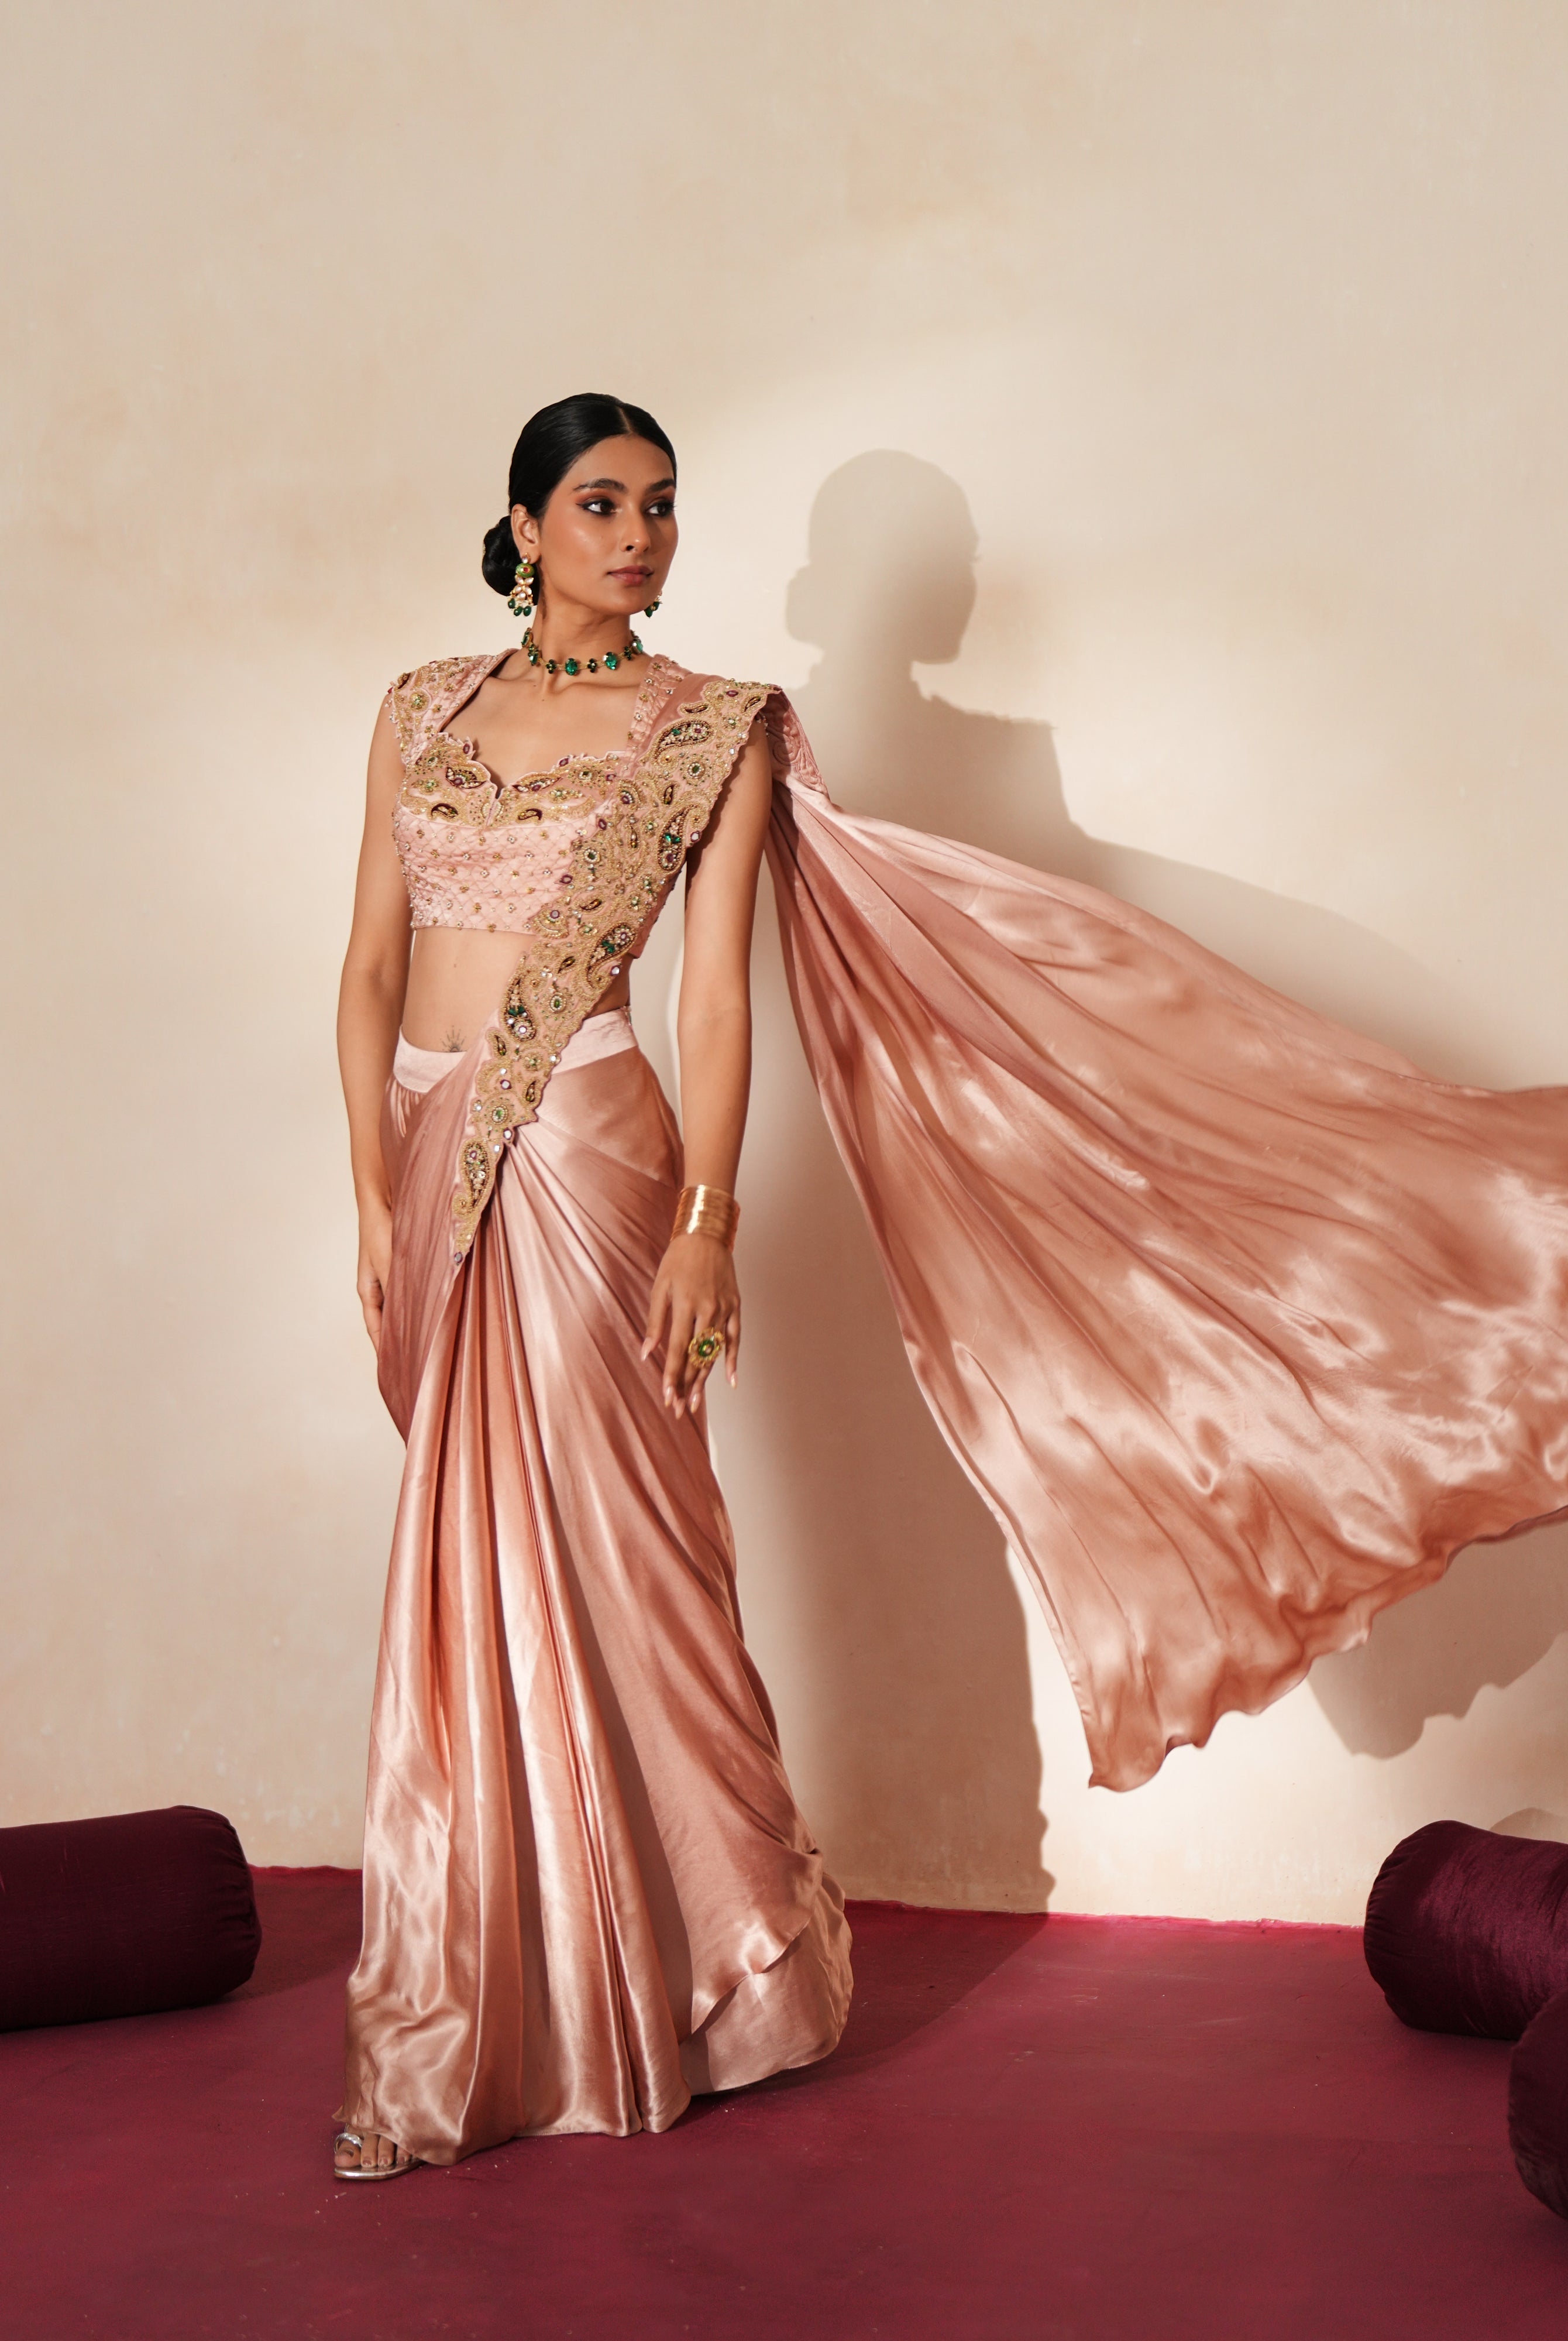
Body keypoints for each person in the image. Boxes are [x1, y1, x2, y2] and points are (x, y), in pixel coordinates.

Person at [335, 392, 1568, 2178]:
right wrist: (371, 1192)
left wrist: (708, 1217)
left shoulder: (716, 731)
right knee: (459, 1575)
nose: (640, 537)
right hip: (432, 1164)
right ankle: (479, 1988)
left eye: (665, 507)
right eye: (599, 505)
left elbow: (717, 1000)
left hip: (595, 1158)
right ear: (521, 526)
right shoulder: (414, 709)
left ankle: (697, 1974)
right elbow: (370, 958)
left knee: (630, 1560)